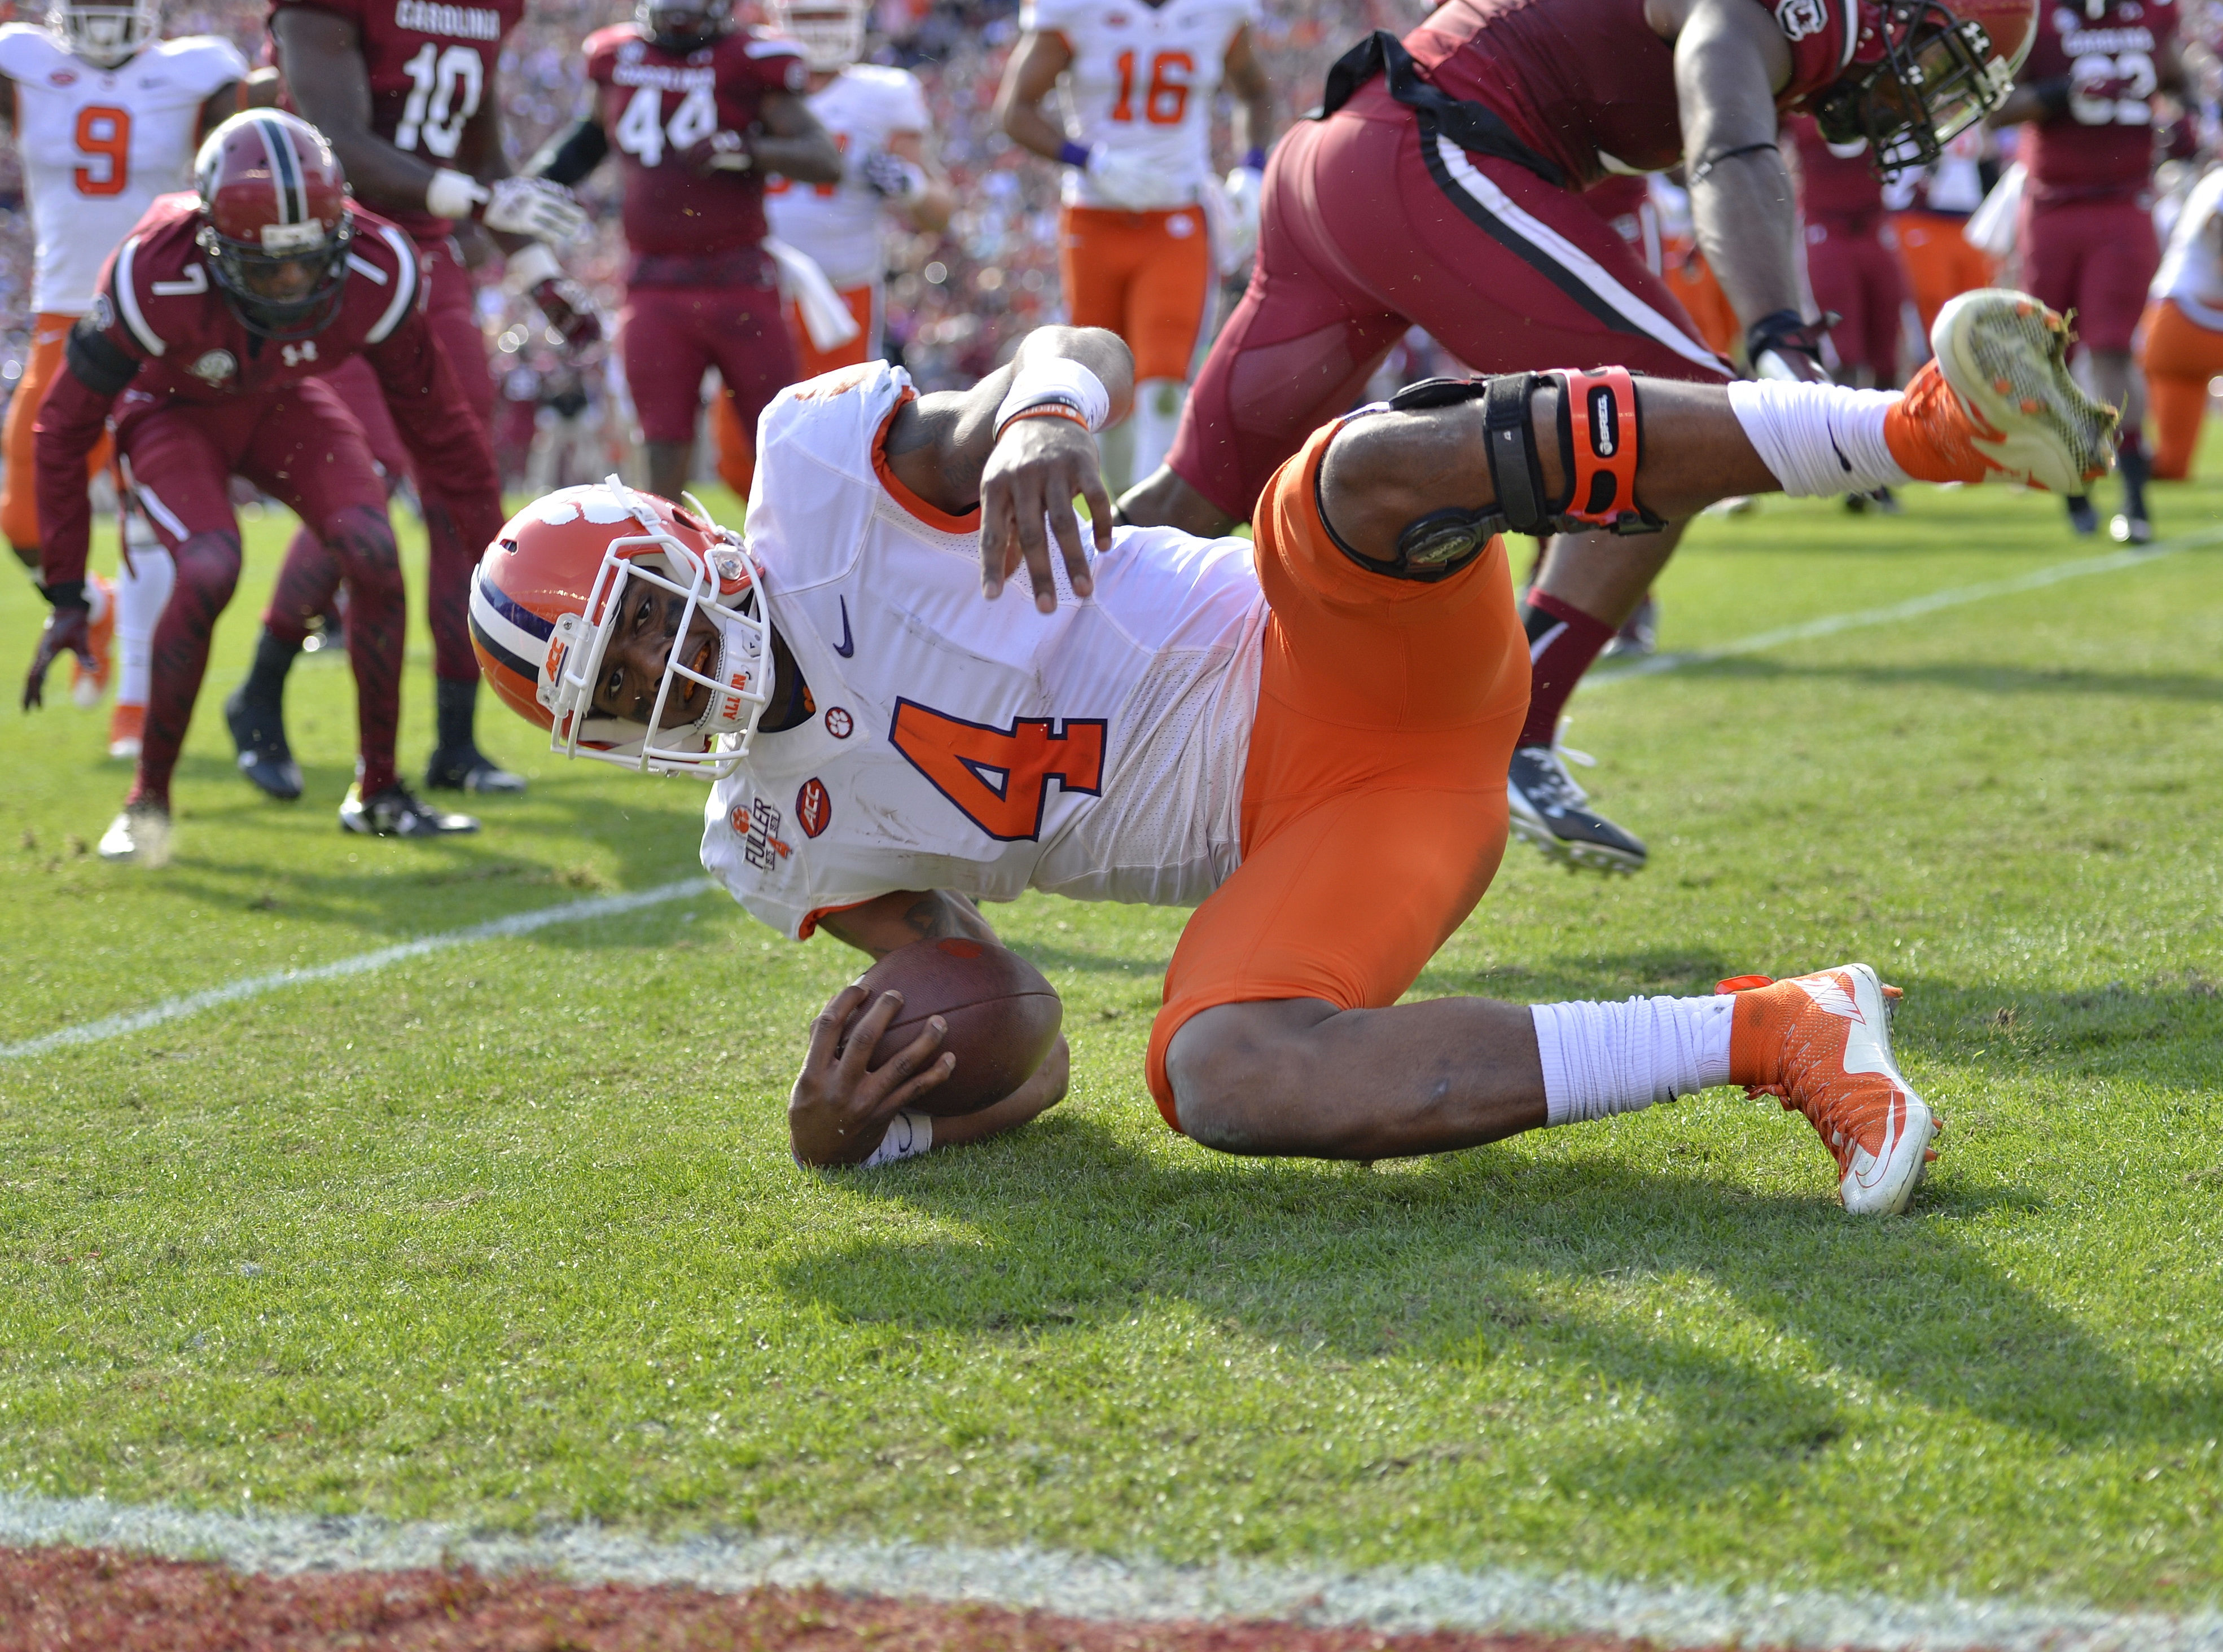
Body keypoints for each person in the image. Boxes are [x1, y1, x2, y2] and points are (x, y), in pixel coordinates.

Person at [463, 289, 2111, 1209]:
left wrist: (1043, 413)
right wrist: (876, 1128)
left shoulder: (819, 470)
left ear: (687, 537)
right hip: (1350, 830)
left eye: (645, 612)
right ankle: (1777, 1031)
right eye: (616, 681)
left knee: (1339, 476)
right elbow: (1023, 1046)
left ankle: (1920, 428)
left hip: (1338, 622)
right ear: (595, 737)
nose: (665, 668)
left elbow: (1073, 350)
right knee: (1215, 1073)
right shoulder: (768, 841)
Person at [1117, 0, 2038, 878]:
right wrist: (1779, 335)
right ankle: (1512, 727)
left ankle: (1005, 687)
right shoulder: (1784, 16)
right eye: (1930, 57)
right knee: (1682, 421)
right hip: (1421, 153)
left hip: (1331, 165)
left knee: (1187, 498)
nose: (1919, 93)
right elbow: (1727, 147)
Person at [19, 109, 503, 864]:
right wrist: (67, 592)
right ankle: (146, 800)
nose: (291, 281)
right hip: (171, 409)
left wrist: (491, 548)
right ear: (214, 243)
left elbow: (442, 427)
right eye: (268, 264)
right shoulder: (155, 271)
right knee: (212, 565)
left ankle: (378, 791)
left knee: (373, 547)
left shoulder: (380, 266)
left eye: (309, 260)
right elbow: (63, 427)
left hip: (282, 401)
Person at [217, 0, 600, 803]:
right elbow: (336, 151)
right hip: (333, 257)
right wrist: (479, 199)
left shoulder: (487, 11)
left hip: (430, 264)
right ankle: (259, 690)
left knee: (468, 498)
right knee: (367, 475)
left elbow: (486, 161)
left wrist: (541, 281)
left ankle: (457, 742)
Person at [0, 0, 244, 757]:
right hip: (61, 315)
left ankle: (135, 703)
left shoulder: (198, 70)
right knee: (25, 519)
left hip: (157, 314)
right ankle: (95, 606)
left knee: (147, 513)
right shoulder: (24, 58)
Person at [530, 0, 841, 508]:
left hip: (739, 278)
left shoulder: (747, 56)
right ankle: (665, 573)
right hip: (653, 283)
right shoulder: (617, 56)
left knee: (784, 439)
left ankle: (803, 572)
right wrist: (531, 185)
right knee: (660, 446)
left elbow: (824, 160)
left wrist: (748, 148)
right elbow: (588, 141)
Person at [993, 0, 1274, 489]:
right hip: (1093, 216)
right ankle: (1117, 519)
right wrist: (1089, 160)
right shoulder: (1076, 10)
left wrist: (1252, 170)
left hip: (1177, 217)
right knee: (1102, 382)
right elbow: (1015, 109)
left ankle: (1147, 533)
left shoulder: (1219, 11)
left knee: (1164, 384)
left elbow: (1256, 93)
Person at [708, 0, 954, 497]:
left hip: (841, 287)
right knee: (738, 447)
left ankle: (822, 552)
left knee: (837, 434)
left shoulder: (883, 93)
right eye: (809, 17)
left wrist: (908, 185)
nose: (820, 30)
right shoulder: (747, 77)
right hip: (751, 284)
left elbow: (940, 210)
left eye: (830, 16)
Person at [1989, 0, 2183, 543]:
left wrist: (2182, 115)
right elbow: (1995, 109)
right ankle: (2075, 477)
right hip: (2051, 205)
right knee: (2052, 351)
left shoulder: (2151, 14)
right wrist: (2062, 92)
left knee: (2111, 348)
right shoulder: (2036, 16)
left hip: (2122, 203)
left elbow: (2177, 78)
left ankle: (2134, 491)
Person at [1786, 112, 1909, 509]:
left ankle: (1880, 460)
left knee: (1886, 356)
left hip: (1874, 225)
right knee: (1844, 356)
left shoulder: (1876, 89)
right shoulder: (1797, 98)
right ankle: (1847, 465)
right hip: (1825, 229)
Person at [2139, 162, 2223, 481]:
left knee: (2172, 464)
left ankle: (2123, 457)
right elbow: (2218, 225)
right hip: (2187, 316)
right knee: (2171, 464)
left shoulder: (2212, 180)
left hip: (2171, 319)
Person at [1887, 127, 2000, 340]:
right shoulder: (1906, 105)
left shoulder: (1966, 105)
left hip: (1968, 221)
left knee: (1979, 314)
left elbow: (1985, 155)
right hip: (1921, 218)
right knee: (1934, 316)